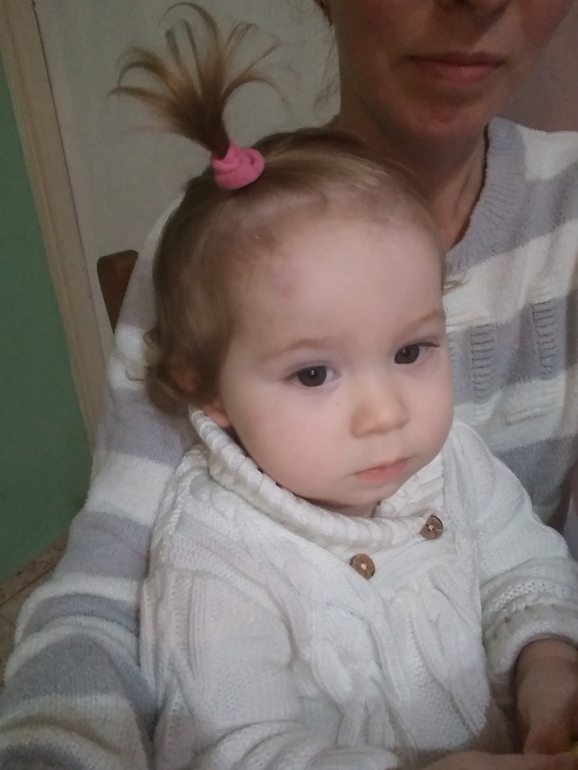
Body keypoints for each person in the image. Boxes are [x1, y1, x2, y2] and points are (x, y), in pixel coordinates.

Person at [1, 0, 578, 768]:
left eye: (412, 350)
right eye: (313, 373)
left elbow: (525, 571)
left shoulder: (454, 464)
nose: (387, 413)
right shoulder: (214, 555)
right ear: (205, 388)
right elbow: (232, 748)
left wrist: (547, 662)